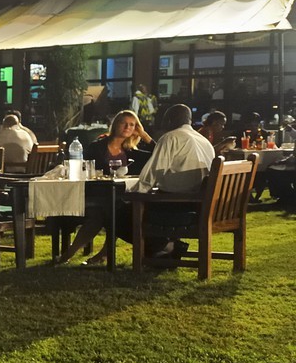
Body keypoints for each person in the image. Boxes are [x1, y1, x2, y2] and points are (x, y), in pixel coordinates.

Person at [57, 104, 213, 267]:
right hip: (197, 205)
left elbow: (151, 175)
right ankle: (161, 247)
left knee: (113, 213)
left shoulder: (171, 138)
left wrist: (133, 195)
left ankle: (167, 246)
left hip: (175, 205)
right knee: (118, 209)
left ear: (170, 120)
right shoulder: (204, 141)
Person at [52, 111, 154, 266]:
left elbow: (158, 153)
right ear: (116, 125)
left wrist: (144, 135)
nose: (127, 127)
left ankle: (102, 254)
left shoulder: (131, 151)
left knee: (119, 212)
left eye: (132, 125)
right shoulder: (97, 147)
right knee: (102, 214)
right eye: (124, 123)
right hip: (94, 195)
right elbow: (81, 168)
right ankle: (70, 254)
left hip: (120, 197)